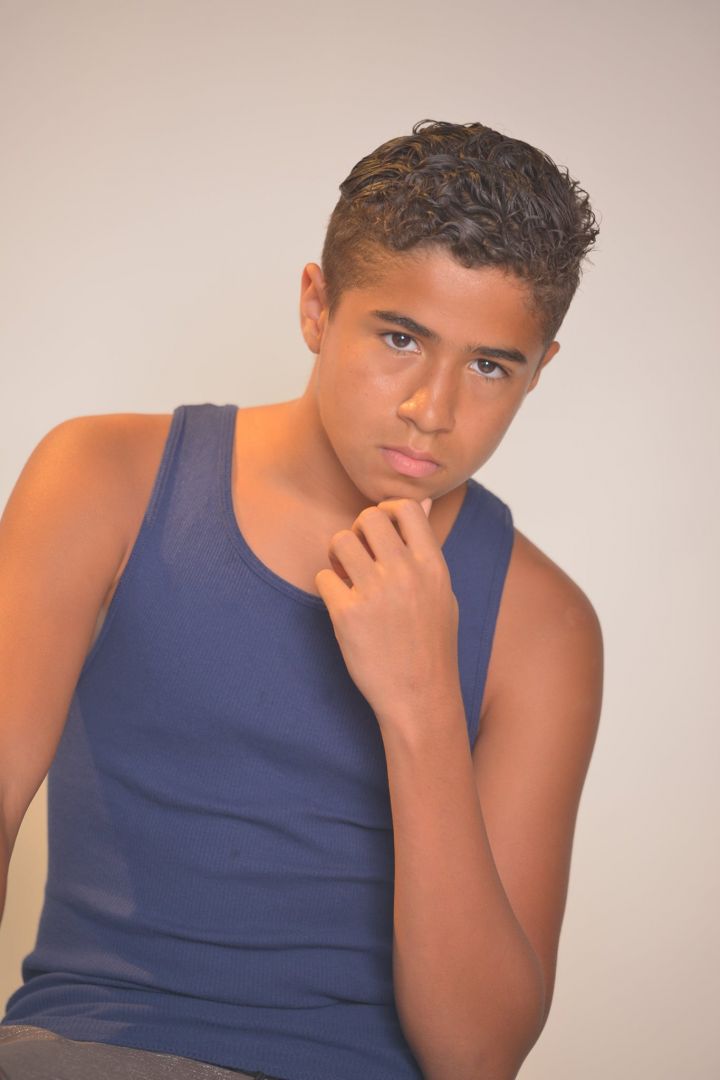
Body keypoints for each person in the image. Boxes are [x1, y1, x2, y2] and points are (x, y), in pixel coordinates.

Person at [0, 119, 603, 1080]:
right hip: (88, 1049)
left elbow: (479, 1058)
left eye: (490, 365)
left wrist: (422, 705)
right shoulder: (103, 479)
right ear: (317, 307)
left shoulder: (546, 625)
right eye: (401, 338)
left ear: (541, 370)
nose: (434, 410)